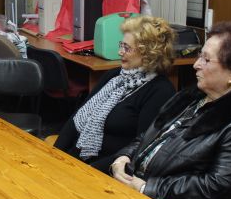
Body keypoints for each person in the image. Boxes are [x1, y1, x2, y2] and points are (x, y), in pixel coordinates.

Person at [111, 20, 231, 199]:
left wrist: (147, 188)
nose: (195, 65)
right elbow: (149, 136)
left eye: (206, 59)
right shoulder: (193, 97)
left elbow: (217, 190)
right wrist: (124, 156)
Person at [54, 16, 176, 173]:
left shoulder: (160, 92)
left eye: (127, 48)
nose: (120, 52)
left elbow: (139, 149)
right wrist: (54, 154)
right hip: (79, 158)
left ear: (148, 54)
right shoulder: (115, 76)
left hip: (107, 170)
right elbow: (77, 118)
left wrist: (87, 171)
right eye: (121, 45)